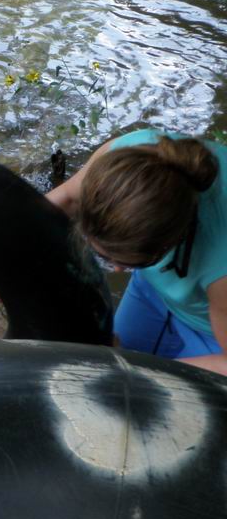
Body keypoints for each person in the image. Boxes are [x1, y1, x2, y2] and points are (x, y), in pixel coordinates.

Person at [47, 128, 227, 376]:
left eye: (130, 262)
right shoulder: (123, 163)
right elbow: (64, 198)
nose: (118, 270)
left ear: (172, 241)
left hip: (212, 332)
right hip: (162, 292)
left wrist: (137, 368)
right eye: (105, 256)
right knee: (104, 369)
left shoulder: (221, 268)